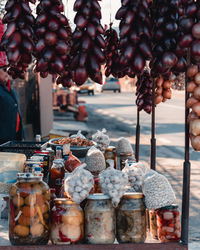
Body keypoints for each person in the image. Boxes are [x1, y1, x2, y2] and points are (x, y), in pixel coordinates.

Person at [0, 65, 24, 144]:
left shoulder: (10, 88)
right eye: (4, 69)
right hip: (3, 141)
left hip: (15, 138)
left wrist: (22, 134)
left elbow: (17, 112)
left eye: (7, 69)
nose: (7, 71)